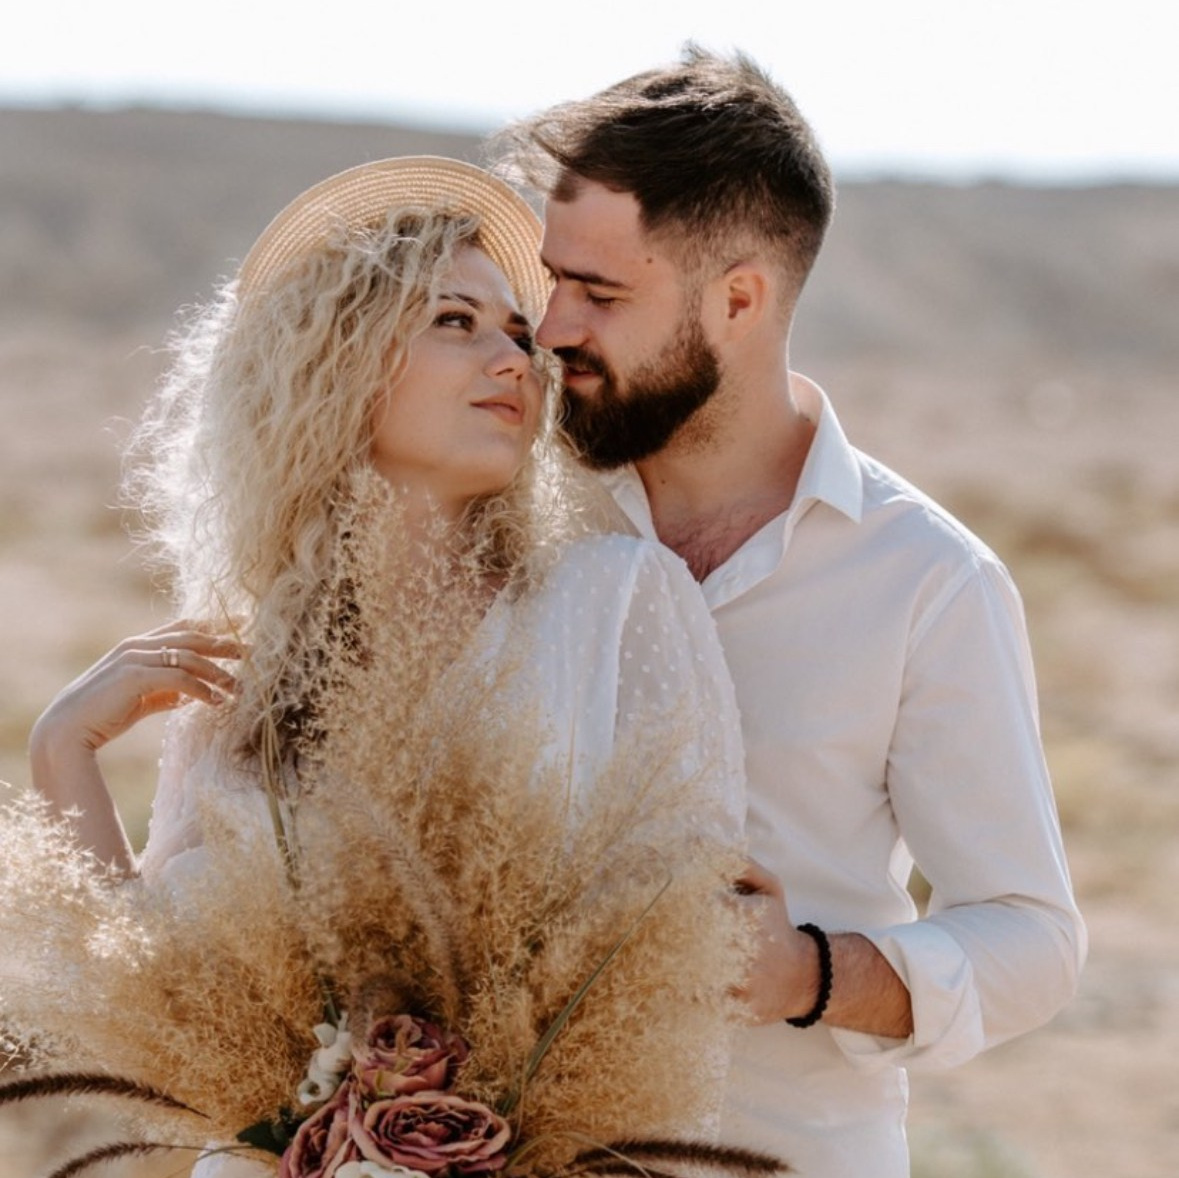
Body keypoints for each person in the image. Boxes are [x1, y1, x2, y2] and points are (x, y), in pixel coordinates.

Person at [23, 157, 749, 1176]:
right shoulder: (253, 659)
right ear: (339, 359)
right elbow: (142, 996)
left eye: (517, 332)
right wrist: (65, 750)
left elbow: (681, 954)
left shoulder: (614, 599)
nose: (513, 359)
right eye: (456, 320)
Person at [495, 46, 1087, 1177]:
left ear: (741, 300)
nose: (554, 326)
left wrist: (808, 973)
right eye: (552, 278)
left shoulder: (925, 579)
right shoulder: (516, 519)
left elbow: (1032, 937)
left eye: (601, 293)